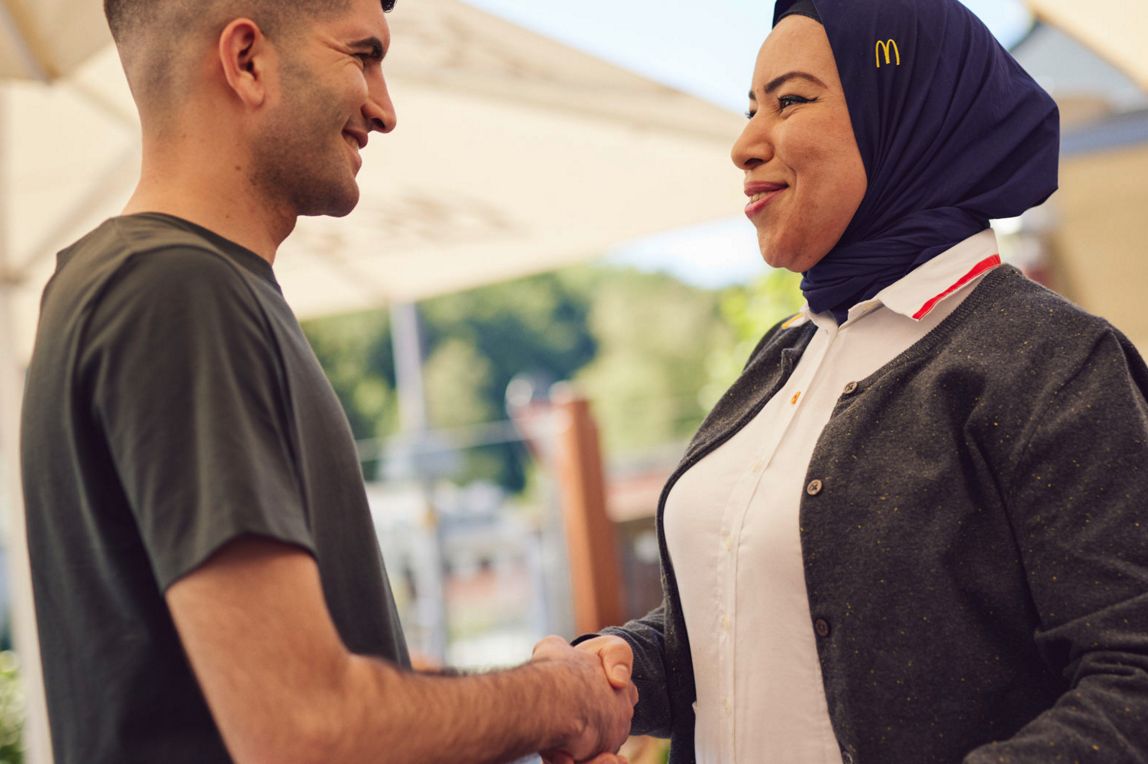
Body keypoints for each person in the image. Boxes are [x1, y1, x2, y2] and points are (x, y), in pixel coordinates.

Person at [20, 1, 636, 762]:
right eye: (362, 56)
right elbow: (305, 731)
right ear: (247, 60)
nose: (385, 110)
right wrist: (561, 699)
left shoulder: (138, 285)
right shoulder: (175, 291)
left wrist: (527, 695)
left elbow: (257, 695)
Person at [571, 0, 1148, 762]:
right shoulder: (783, 361)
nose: (745, 143)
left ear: (908, 116)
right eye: (751, 108)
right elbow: (740, 625)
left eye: (792, 100)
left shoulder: (1052, 363)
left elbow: (1132, 680)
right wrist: (620, 667)